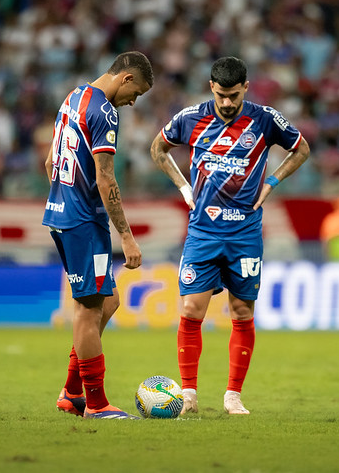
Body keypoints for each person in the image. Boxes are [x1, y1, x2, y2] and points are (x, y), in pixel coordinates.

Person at [150, 56, 310, 415]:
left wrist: (272, 181)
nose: (227, 102)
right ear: (211, 87)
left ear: (246, 88)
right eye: (221, 95)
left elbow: (301, 149)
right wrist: (182, 186)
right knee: (192, 308)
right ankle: (188, 393)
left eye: (234, 95)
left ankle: (233, 395)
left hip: (245, 232)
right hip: (203, 231)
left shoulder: (265, 119)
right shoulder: (190, 118)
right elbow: (157, 148)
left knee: (241, 311)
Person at [43, 51, 154, 419]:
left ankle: (72, 391)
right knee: (89, 310)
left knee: (108, 302)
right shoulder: (105, 111)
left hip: (61, 213)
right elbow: (106, 177)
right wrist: (126, 236)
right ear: (125, 78)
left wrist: (64, 199)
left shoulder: (73, 97)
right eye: (135, 93)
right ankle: (96, 403)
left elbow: (49, 162)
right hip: (82, 220)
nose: (132, 101)